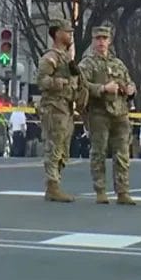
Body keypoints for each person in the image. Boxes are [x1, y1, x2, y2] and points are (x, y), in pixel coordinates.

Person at [78, 24, 137, 205]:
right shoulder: (87, 64)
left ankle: (123, 191)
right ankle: (100, 190)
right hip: (99, 113)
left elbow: (129, 82)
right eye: (98, 39)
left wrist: (131, 89)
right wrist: (102, 88)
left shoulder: (118, 63)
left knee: (122, 153)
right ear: (93, 41)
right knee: (99, 152)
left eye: (104, 38)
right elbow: (81, 86)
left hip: (120, 113)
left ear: (109, 41)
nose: (101, 42)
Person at [36, 18, 81, 202]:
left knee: (63, 148)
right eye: (67, 31)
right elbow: (41, 81)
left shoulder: (66, 57)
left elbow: (76, 76)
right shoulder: (51, 57)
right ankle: (52, 186)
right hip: (54, 107)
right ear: (57, 33)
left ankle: (56, 182)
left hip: (67, 107)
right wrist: (57, 83)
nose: (70, 35)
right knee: (54, 146)